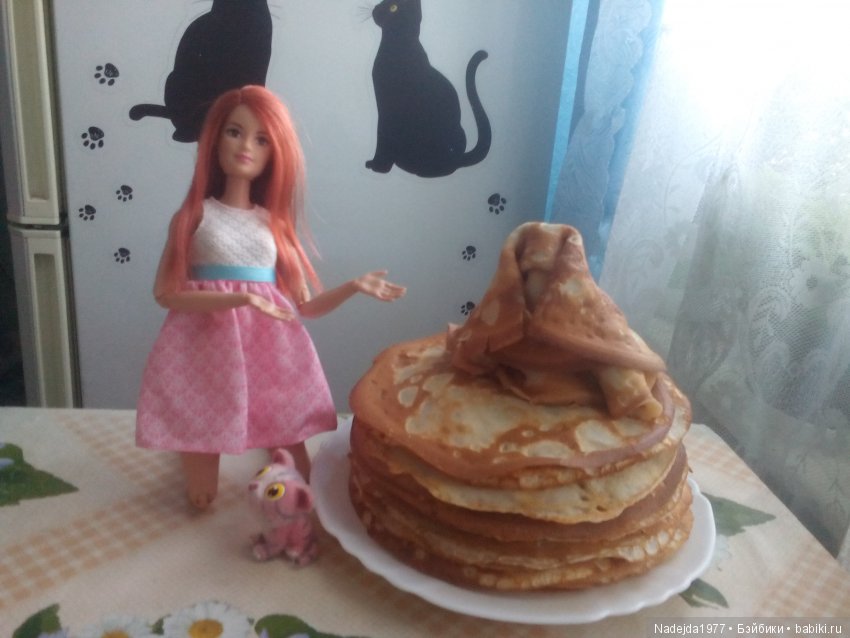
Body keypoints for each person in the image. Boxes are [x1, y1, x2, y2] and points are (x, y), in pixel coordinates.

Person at [136, 85, 405, 509]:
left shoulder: (274, 224)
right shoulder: (195, 216)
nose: (246, 146)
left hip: (270, 345)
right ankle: (200, 455)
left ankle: (275, 446)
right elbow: (166, 294)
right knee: (203, 421)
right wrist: (238, 301)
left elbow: (306, 306)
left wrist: (353, 286)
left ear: (274, 153)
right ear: (214, 139)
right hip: (203, 345)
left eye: (262, 139)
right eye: (235, 132)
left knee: (285, 426)